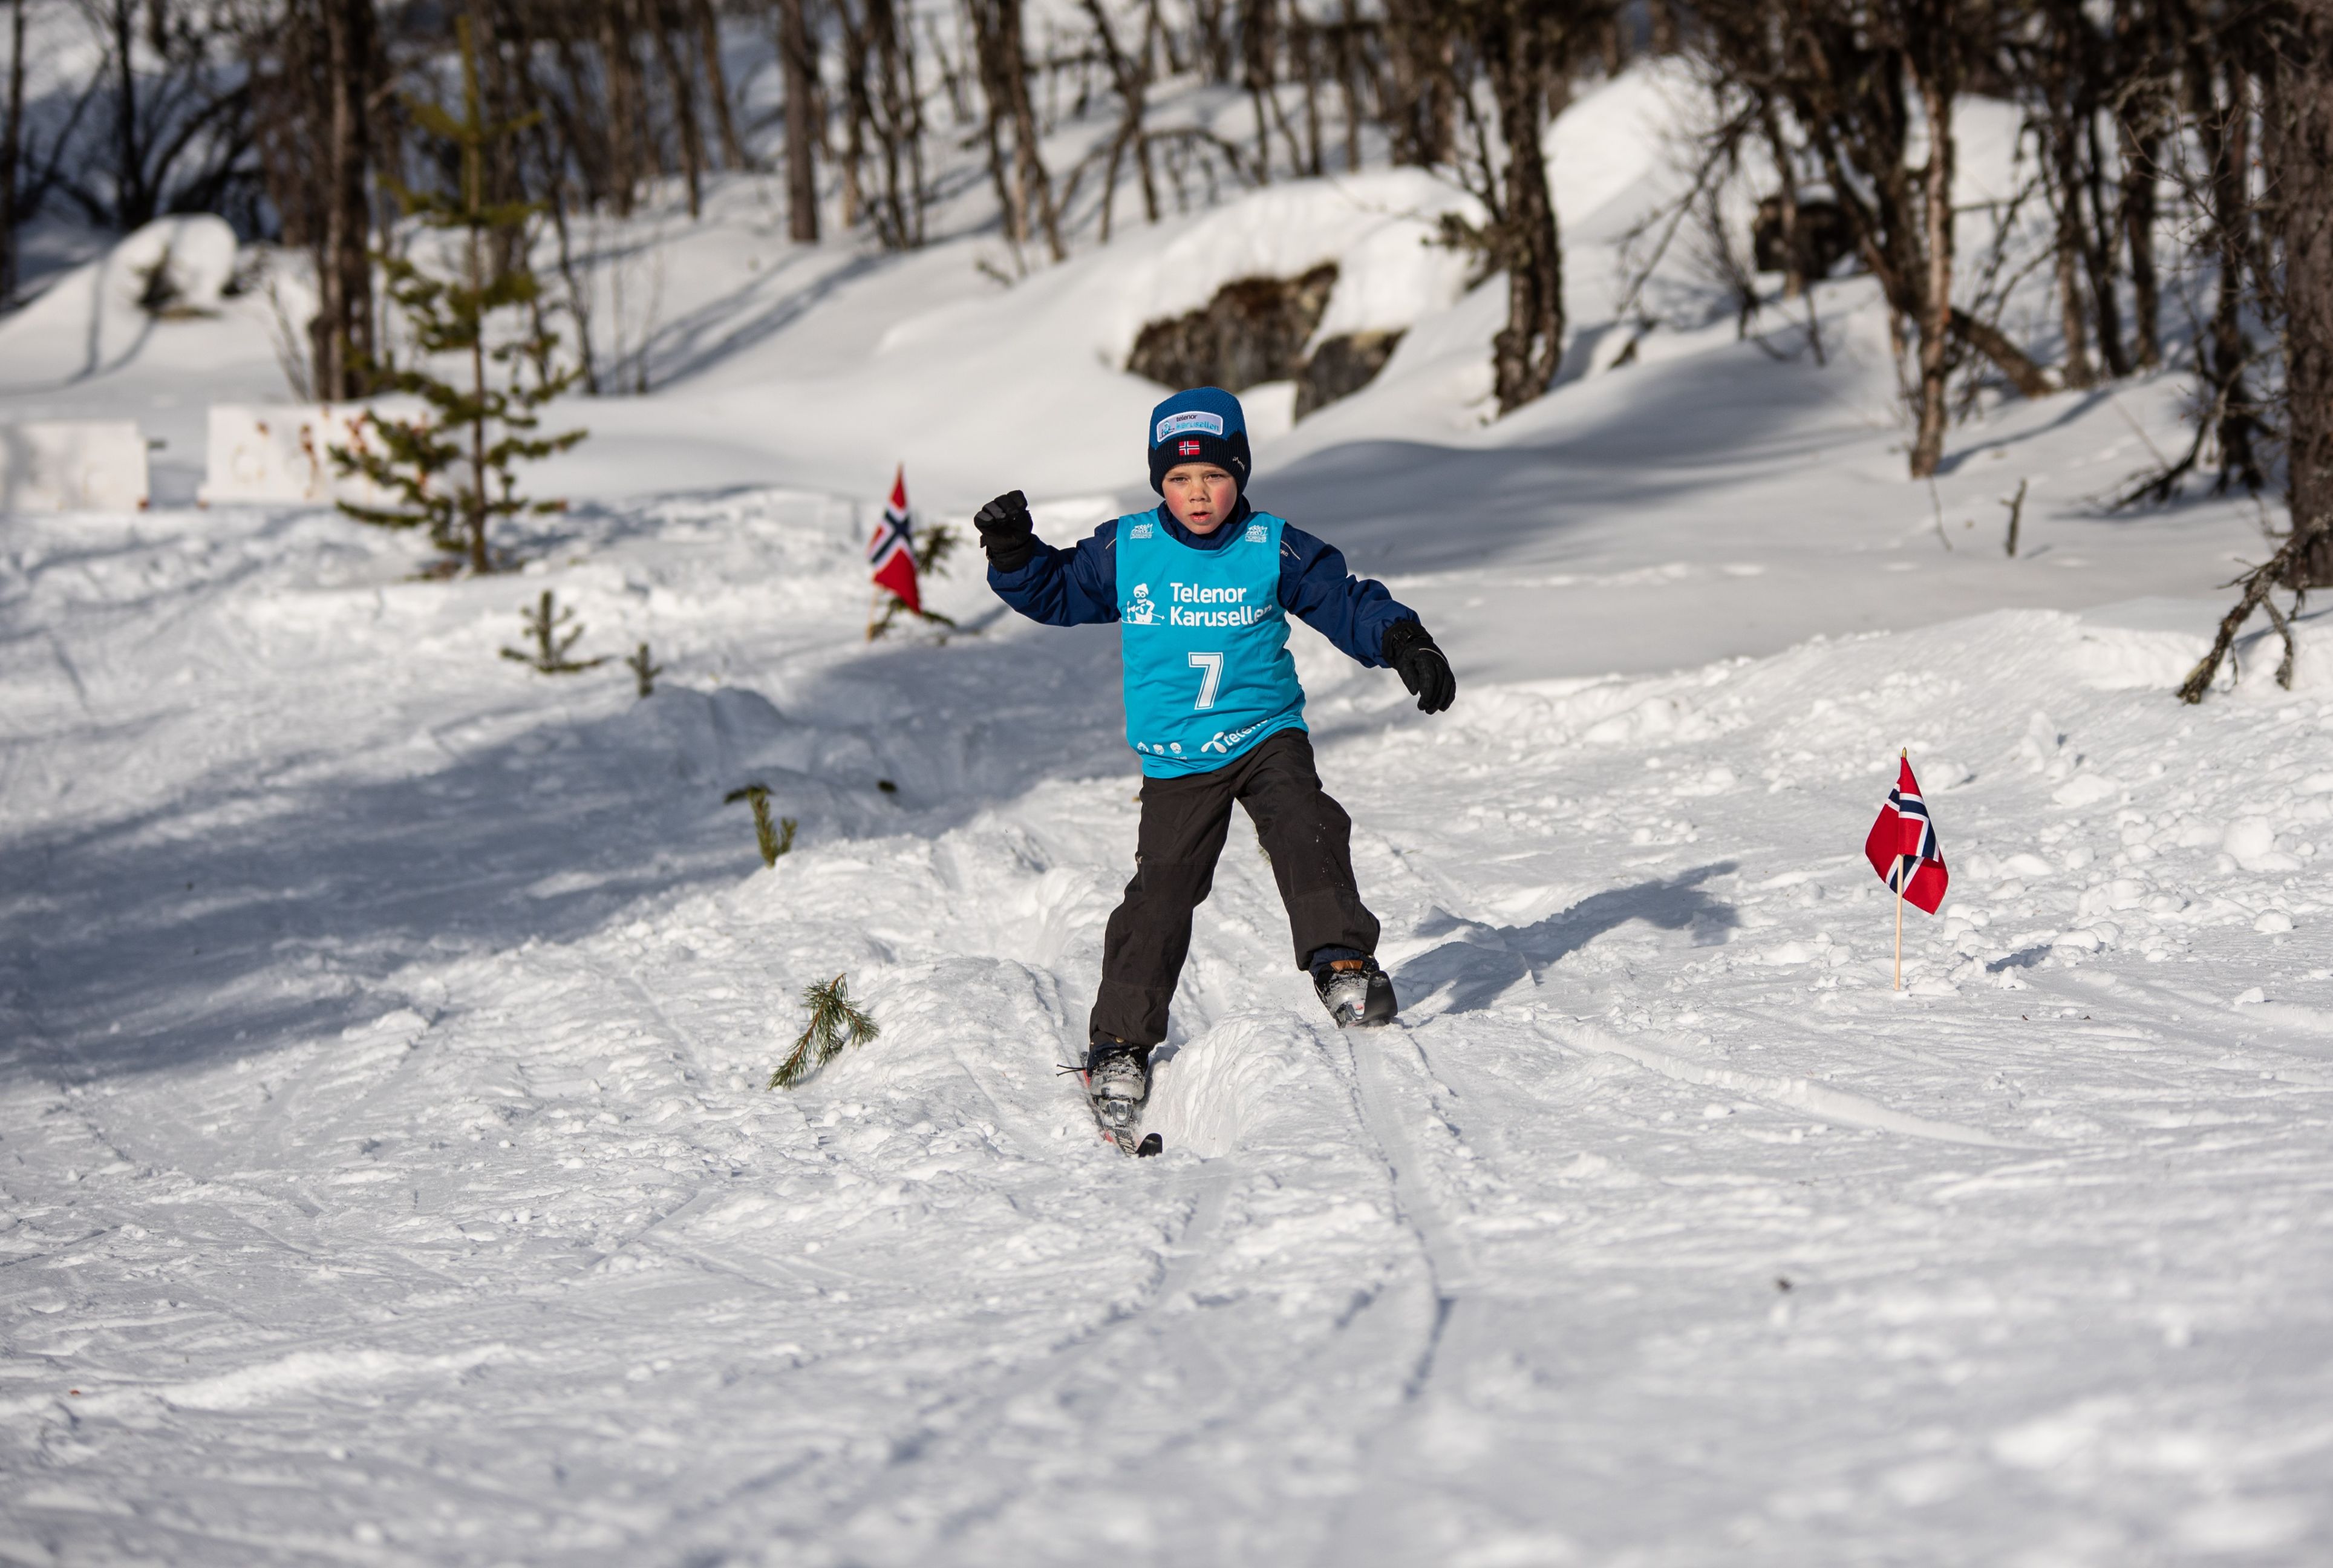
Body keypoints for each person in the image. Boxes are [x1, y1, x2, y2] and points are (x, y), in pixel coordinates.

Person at [973, 386, 1456, 1134]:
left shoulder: (1271, 545)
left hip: (1264, 733)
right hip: (1177, 757)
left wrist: (1402, 641)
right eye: (1178, 480)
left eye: (1214, 477)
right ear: (1158, 483)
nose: (1197, 495)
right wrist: (1013, 553)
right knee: (1160, 895)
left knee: (1306, 824)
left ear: (1241, 473)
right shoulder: (1128, 548)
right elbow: (1057, 591)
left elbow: (1343, 598)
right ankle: (1119, 1046)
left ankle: (1342, 964)